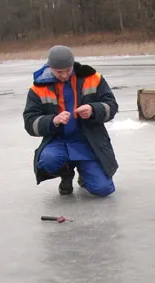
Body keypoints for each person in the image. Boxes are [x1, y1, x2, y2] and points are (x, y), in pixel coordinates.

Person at [23, 45, 119, 196]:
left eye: (68, 70)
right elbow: (30, 122)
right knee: (48, 161)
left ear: (73, 64)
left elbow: (112, 106)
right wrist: (52, 121)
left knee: (103, 189)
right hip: (58, 141)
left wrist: (93, 110)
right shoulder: (38, 88)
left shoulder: (93, 78)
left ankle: (84, 175)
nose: (64, 75)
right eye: (59, 72)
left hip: (89, 140)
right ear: (50, 68)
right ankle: (66, 174)